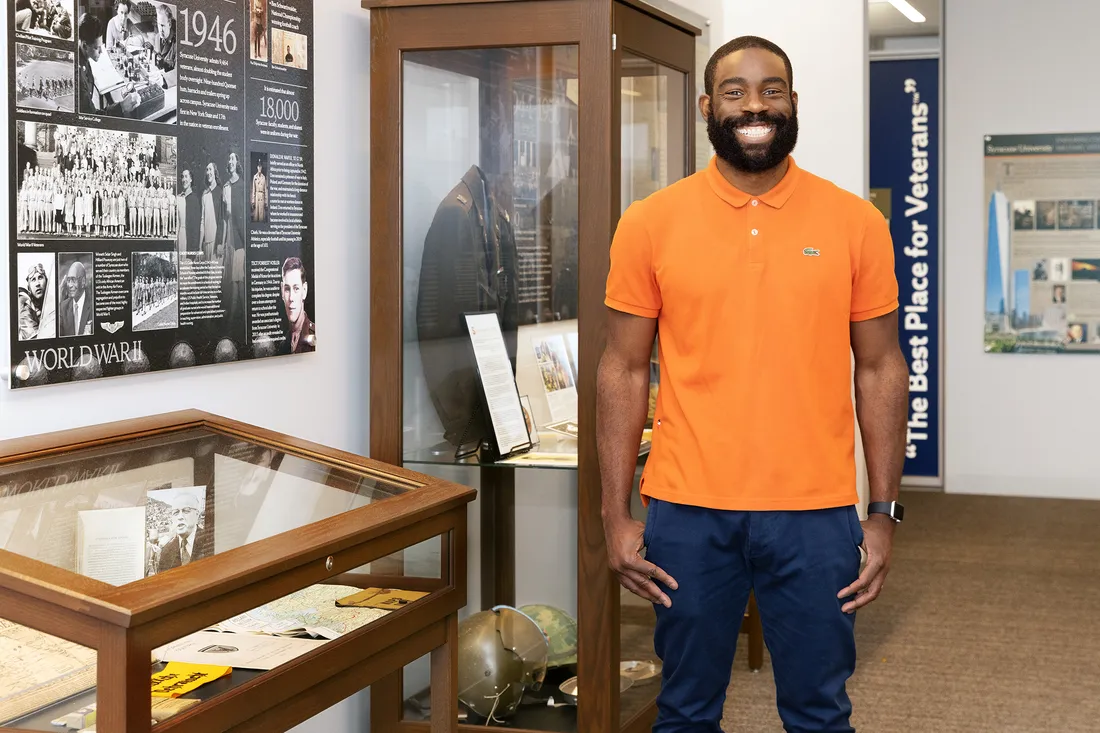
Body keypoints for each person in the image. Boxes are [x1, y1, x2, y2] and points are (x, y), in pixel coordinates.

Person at [597, 36, 909, 732]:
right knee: (683, 711)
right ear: (708, 107)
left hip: (816, 512)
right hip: (686, 514)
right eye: (735, 92)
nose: (754, 105)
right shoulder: (650, 223)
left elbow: (881, 366)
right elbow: (619, 368)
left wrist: (883, 510)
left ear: (794, 104)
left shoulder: (856, 223)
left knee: (820, 712)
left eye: (771, 89)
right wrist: (614, 513)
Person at [77, 13, 140, 116]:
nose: (101, 51)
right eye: (97, 48)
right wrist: (122, 106)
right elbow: (93, 118)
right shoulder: (79, 76)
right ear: (85, 45)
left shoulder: (83, 55)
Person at [156, 492, 212, 571]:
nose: (180, 517)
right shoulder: (166, 551)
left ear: (197, 514)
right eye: (175, 512)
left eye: (186, 511)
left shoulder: (210, 541)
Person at [280, 257, 314, 353]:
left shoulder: (314, 335)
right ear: (282, 291)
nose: (291, 298)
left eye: (296, 288)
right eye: (287, 289)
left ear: (304, 290)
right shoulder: (284, 344)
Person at [59, 260, 92, 337]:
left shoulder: (93, 304)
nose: (70, 285)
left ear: (83, 282)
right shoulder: (63, 307)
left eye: (73, 280)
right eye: (68, 280)